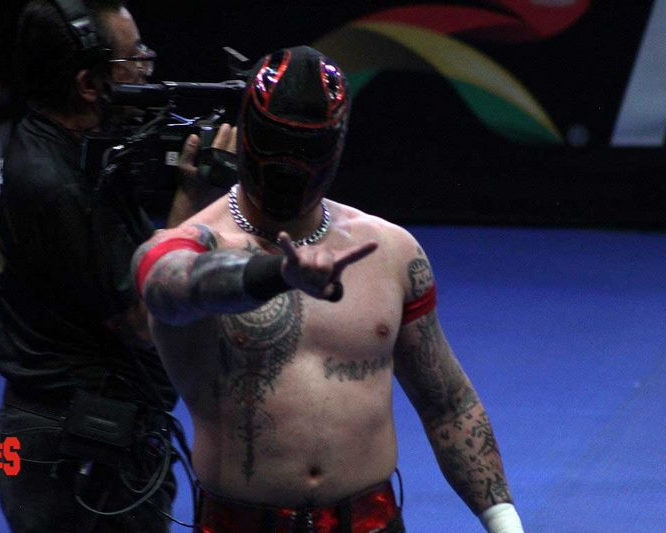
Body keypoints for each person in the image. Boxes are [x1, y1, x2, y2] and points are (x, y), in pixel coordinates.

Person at [133, 45, 525, 532]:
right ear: (248, 134)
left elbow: (447, 403)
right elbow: (167, 286)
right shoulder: (191, 244)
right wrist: (275, 274)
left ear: (335, 147)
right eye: (277, 143)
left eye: (304, 149)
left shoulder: (390, 250)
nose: (287, 165)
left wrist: (505, 523)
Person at [0, 1, 235, 531]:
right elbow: (146, 318)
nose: (146, 68)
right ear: (88, 84)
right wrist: (192, 200)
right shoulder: (56, 185)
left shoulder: (60, 145)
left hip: (79, 427)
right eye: (133, 59)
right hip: (77, 451)